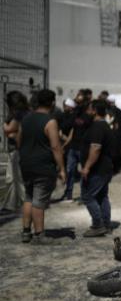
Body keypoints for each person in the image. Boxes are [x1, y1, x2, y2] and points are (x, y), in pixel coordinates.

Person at [17, 89, 66, 243]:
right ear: (52, 102)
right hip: (43, 166)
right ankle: (39, 235)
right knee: (39, 200)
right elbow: (56, 147)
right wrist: (62, 168)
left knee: (29, 197)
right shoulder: (50, 121)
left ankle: (26, 232)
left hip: (26, 164)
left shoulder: (25, 118)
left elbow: (19, 140)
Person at [80, 99, 114, 237]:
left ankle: (98, 225)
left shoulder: (98, 127)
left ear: (94, 111)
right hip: (104, 169)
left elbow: (95, 148)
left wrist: (87, 167)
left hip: (97, 170)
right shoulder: (103, 125)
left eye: (89, 109)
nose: (87, 112)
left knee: (88, 196)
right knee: (101, 196)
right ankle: (105, 224)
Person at [62, 92, 92, 202]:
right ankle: (68, 194)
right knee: (70, 171)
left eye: (80, 102)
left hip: (83, 149)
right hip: (73, 148)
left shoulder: (89, 117)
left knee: (84, 172)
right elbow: (71, 130)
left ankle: (84, 195)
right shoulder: (74, 116)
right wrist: (66, 144)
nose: (78, 104)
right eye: (76, 102)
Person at [1, 91, 29, 211]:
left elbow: (9, 129)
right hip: (16, 149)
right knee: (11, 178)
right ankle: (11, 204)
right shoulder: (24, 112)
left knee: (18, 179)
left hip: (18, 150)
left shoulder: (19, 114)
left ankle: (25, 203)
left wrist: (4, 126)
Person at [106, 95, 121, 173]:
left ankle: (114, 167)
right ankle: (118, 165)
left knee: (113, 150)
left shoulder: (109, 111)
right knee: (118, 149)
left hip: (112, 134)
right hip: (118, 133)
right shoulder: (119, 111)